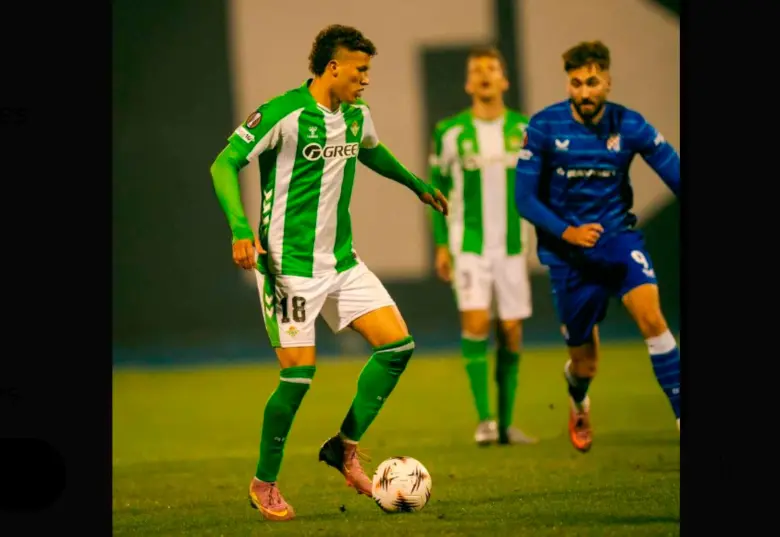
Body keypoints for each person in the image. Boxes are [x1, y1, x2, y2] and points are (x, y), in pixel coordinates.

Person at [209, 24, 448, 521]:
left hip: (341, 261)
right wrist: (239, 227)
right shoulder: (284, 113)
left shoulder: (356, 115)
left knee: (397, 347)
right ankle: (264, 482)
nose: (366, 79)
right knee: (298, 375)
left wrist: (416, 184)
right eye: (360, 70)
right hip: (288, 266)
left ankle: (344, 447)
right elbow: (223, 164)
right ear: (333, 67)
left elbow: (371, 149)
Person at [514, 40, 680, 454]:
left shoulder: (630, 124)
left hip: (617, 240)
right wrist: (568, 232)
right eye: (576, 83)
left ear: (607, 81)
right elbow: (524, 199)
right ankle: (578, 397)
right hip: (568, 254)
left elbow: (675, 174)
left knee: (653, 318)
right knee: (585, 363)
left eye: (592, 82)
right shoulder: (544, 126)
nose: (584, 92)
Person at [428, 46, 537, 447]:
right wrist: (442, 244)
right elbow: (437, 189)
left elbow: (539, 186)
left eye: (492, 68)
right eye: (477, 70)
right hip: (469, 245)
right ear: (468, 83)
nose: (485, 75)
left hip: (512, 246)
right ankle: (485, 422)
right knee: (475, 325)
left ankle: (507, 425)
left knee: (510, 332)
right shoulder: (450, 132)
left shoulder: (526, 129)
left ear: (504, 80)